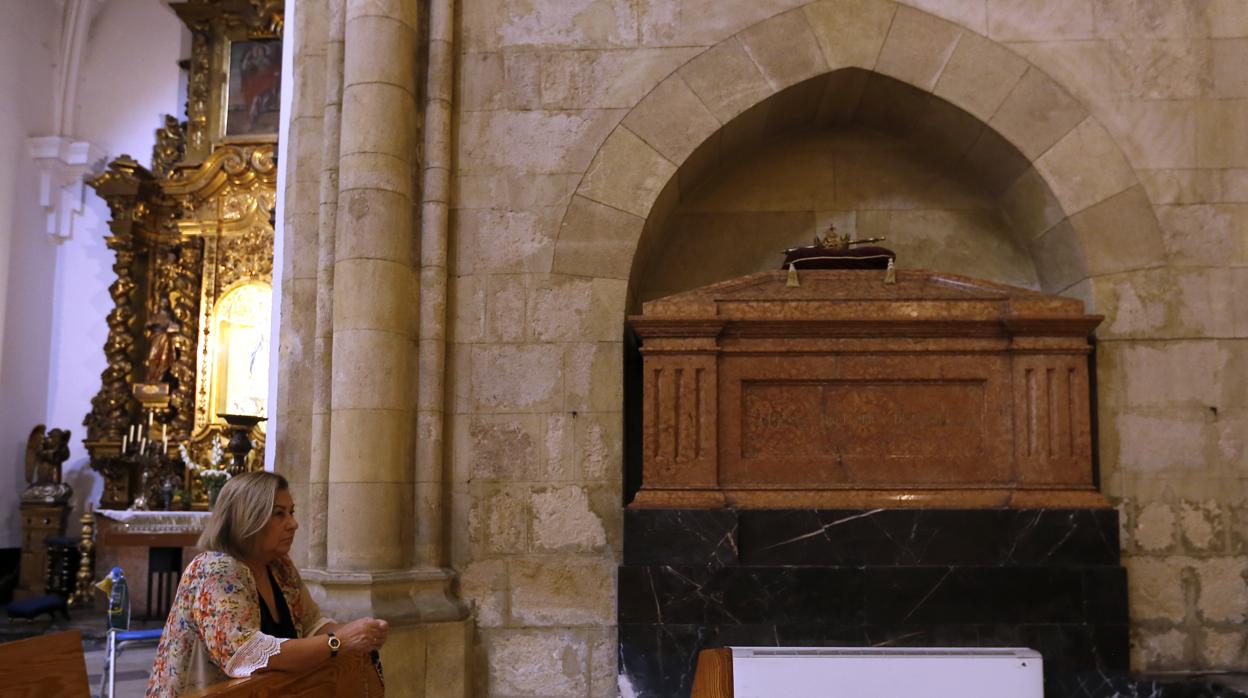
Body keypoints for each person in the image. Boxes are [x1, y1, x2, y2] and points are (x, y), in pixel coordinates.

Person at [146, 472, 388, 696]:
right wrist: (339, 642)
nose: (293, 524)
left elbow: (310, 624)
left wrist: (359, 631)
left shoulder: (278, 565)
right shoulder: (215, 570)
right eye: (279, 514)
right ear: (248, 518)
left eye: (291, 512)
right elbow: (245, 653)